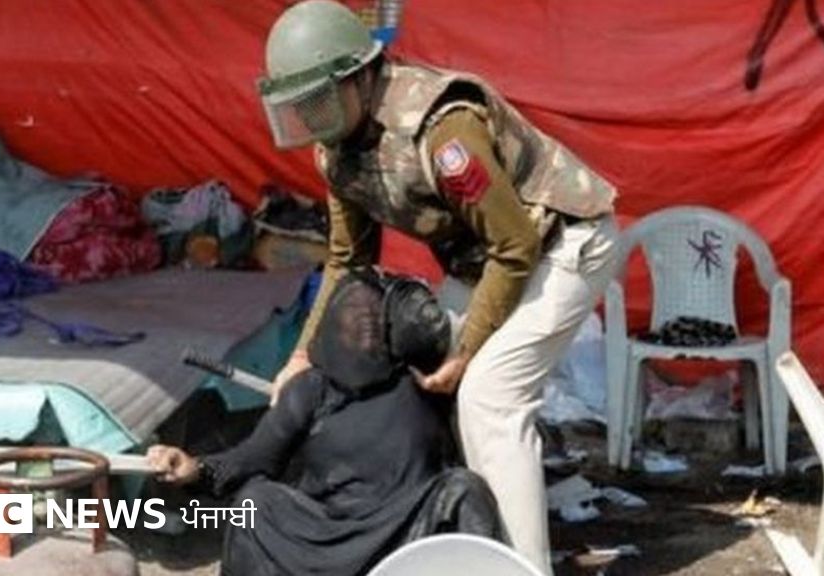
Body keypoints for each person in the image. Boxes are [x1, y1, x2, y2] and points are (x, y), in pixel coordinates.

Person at [258, 2, 620, 574]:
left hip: (563, 242)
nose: (310, 117)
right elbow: (347, 261)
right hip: (487, 262)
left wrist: (468, 350)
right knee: (415, 374)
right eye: (299, 105)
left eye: (319, 99)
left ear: (360, 76)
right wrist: (301, 358)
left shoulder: (442, 128)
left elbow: (516, 244)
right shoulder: (337, 146)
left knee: (490, 399)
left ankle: (519, 569)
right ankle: (451, 539)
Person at [148, 272, 502, 576]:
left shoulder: (424, 379)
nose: (363, 332)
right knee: (256, 502)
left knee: (464, 488)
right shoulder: (311, 388)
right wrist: (195, 469)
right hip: (326, 534)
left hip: (405, 534)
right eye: (352, 324)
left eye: (370, 323)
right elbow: (251, 459)